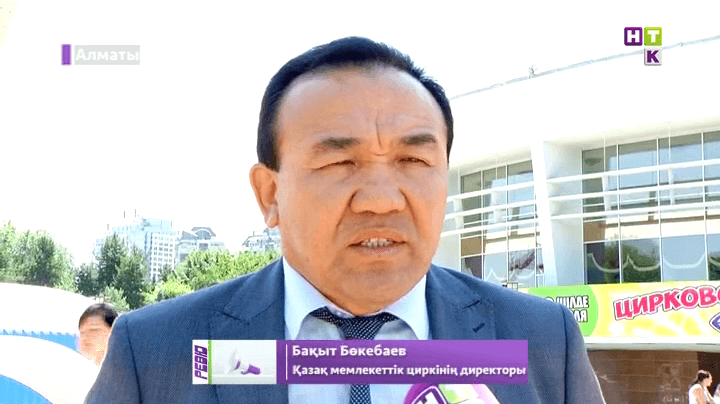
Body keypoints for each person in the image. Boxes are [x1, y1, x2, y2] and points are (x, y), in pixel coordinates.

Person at [85, 36, 605, 403]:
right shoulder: (154, 353)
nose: (381, 200)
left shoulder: (543, 342)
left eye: (414, 160)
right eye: (339, 163)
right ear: (269, 194)